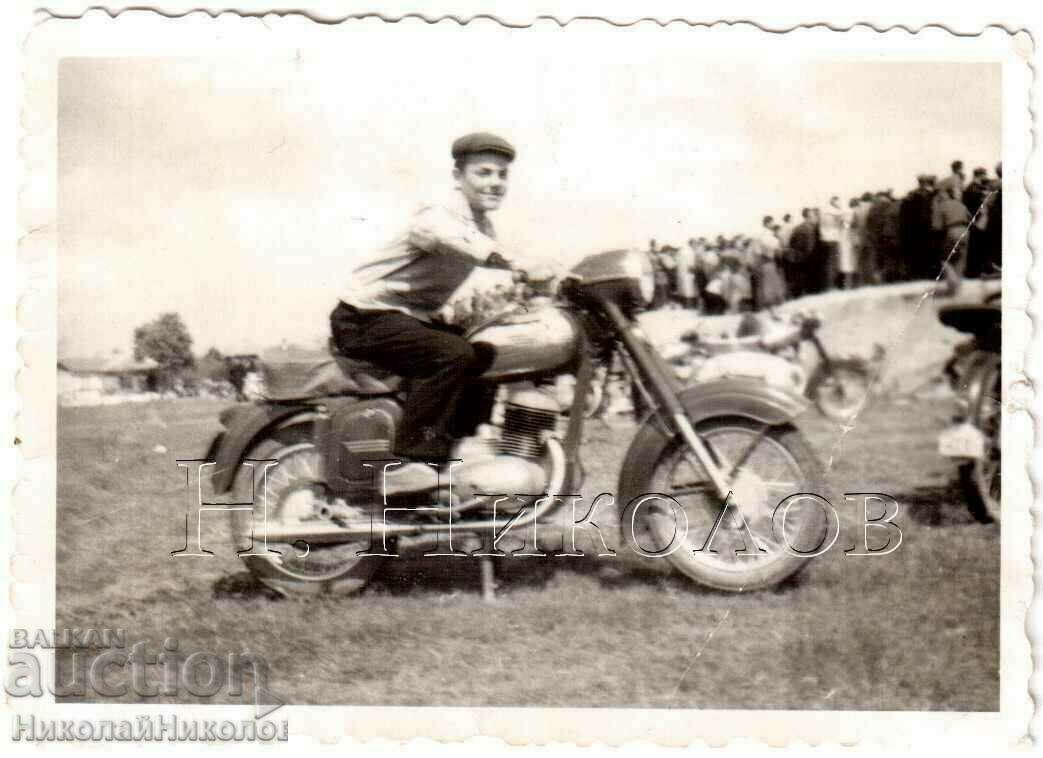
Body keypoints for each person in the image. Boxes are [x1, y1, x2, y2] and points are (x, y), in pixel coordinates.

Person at [330, 132, 519, 494]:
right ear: (457, 176)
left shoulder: (483, 226)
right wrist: (511, 260)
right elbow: (443, 236)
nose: (495, 182)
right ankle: (410, 462)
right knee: (452, 356)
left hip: (404, 318)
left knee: (487, 354)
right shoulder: (439, 211)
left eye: (501, 175)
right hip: (364, 316)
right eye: (483, 173)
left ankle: (455, 462)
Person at [900, 175, 938, 280]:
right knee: (926, 250)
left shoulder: (911, 195)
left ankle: (916, 273)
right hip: (925, 227)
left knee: (916, 251)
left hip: (912, 229)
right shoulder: (929, 195)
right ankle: (925, 273)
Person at [785, 208, 819, 298]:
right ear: (808, 217)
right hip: (806, 259)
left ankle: (799, 295)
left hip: (795, 258)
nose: (815, 218)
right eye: (813, 216)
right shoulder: (809, 228)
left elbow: (791, 243)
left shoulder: (797, 227)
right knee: (808, 281)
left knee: (798, 281)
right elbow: (810, 248)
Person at [817, 196, 844, 291]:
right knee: (834, 263)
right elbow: (842, 223)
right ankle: (834, 285)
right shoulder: (835, 212)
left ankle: (829, 285)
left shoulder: (823, 211)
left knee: (828, 263)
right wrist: (839, 208)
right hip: (834, 239)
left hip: (824, 239)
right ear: (834, 202)